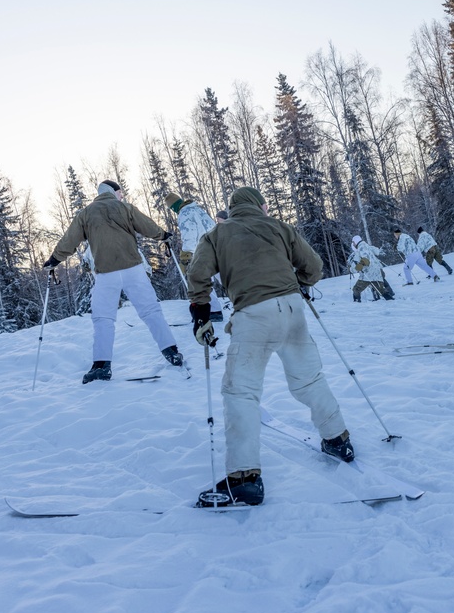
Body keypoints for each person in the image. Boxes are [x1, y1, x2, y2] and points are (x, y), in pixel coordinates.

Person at [186, 186, 355, 507]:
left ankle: (244, 478)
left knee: (241, 393)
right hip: (292, 309)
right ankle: (338, 439)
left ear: (233, 210)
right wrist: (300, 285)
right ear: (261, 207)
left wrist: (200, 315)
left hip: (253, 314)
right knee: (309, 379)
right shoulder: (280, 227)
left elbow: (198, 274)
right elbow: (314, 267)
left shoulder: (215, 236)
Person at [43, 180, 184, 384]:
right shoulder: (124, 207)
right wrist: (162, 235)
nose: (122, 196)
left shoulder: (86, 213)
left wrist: (55, 259)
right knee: (151, 311)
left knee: (103, 319)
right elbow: (146, 225)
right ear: (113, 192)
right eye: (120, 193)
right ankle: (172, 352)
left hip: (106, 273)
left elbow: (70, 239)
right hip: (133, 269)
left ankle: (101, 366)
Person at [165, 192, 224, 322]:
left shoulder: (184, 214)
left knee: (201, 280)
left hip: (202, 251)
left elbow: (189, 235)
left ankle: (214, 310)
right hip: (217, 246)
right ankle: (242, 303)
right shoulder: (198, 209)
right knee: (225, 277)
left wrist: (186, 254)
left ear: (173, 207)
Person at [348, 235, 394, 302]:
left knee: (356, 289)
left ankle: (356, 303)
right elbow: (377, 252)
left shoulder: (361, 248)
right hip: (377, 271)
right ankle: (391, 300)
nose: (353, 244)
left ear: (356, 241)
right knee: (381, 289)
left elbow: (365, 260)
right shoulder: (367, 246)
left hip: (368, 273)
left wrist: (355, 268)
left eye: (353, 242)